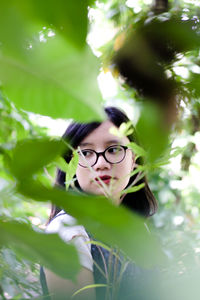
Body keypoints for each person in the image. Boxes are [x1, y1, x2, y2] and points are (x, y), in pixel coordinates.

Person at [40, 106, 157, 300]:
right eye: (86, 153)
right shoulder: (67, 232)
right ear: (71, 164)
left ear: (134, 158)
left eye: (114, 149)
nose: (101, 163)